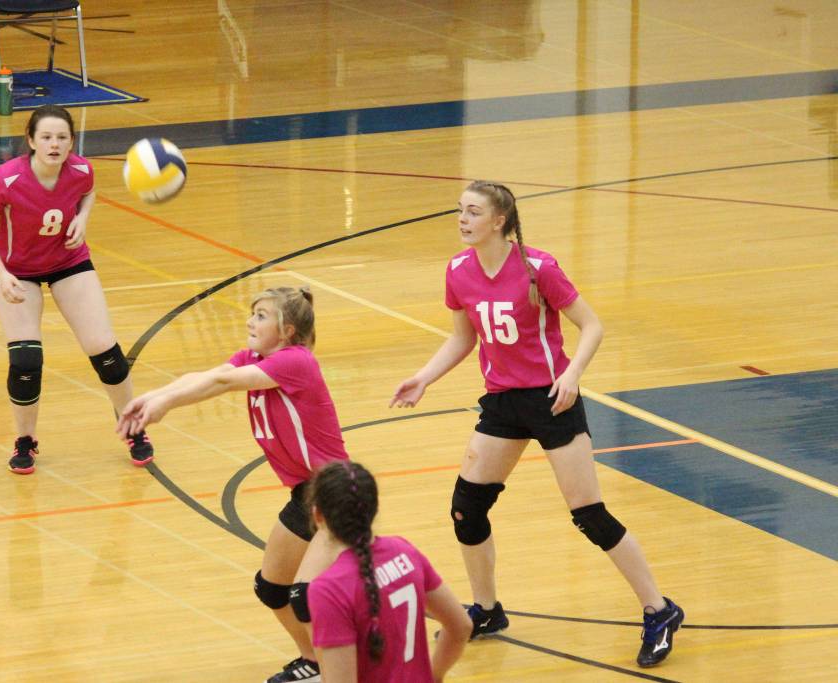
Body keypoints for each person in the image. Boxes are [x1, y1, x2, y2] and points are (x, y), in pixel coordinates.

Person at [390, 181, 684, 668]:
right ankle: (487, 609)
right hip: (503, 402)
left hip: (552, 399)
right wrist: (423, 379)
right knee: (467, 508)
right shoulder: (458, 270)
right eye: (459, 211)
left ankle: (660, 609)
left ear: (499, 221)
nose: (462, 219)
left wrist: (571, 375)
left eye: (473, 212)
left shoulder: (537, 268)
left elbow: (592, 325)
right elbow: (463, 338)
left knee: (589, 515)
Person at [117, 286, 350, 683]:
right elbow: (209, 376)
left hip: (335, 492)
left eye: (261, 315)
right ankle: (313, 661)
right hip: (305, 495)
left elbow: (224, 382)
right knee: (272, 589)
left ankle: (345, 670)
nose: (250, 321)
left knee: (306, 594)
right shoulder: (255, 360)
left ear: (288, 330)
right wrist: (154, 396)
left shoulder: (296, 362)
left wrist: (166, 406)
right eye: (252, 313)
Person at [0, 104, 154, 474]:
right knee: (25, 360)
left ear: (72, 142)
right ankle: (25, 440)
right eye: (47, 137)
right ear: (31, 141)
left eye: (62, 138)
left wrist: (82, 219)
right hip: (17, 271)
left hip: (68, 263)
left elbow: (88, 191)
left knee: (105, 351)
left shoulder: (81, 170)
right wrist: (1, 274)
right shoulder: (4, 181)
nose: (55, 144)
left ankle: (134, 427)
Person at [306, 461, 472, 683]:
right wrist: (433, 676)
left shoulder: (328, 589)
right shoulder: (404, 551)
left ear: (318, 515)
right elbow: (461, 626)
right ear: (373, 508)